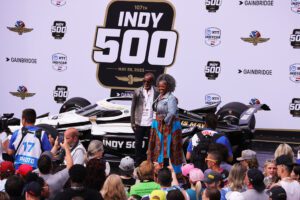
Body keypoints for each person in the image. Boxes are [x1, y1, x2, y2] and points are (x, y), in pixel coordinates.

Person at [147, 74, 183, 174]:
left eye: (163, 87)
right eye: (159, 86)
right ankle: (157, 168)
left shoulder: (171, 98)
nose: (160, 88)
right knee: (157, 148)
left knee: (168, 149)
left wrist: (163, 122)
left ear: (168, 86)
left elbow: (171, 113)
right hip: (158, 126)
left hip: (168, 127)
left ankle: (169, 170)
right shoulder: (159, 96)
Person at [131, 73, 159, 167]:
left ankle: (149, 162)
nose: (146, 83)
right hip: (139, 122)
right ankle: (138, 162)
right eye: (144, 81)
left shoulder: (157, 91)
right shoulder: (137, 91)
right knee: (138, 143)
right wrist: (132, 122)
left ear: (152, 82)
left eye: (148, 81)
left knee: (150, 144)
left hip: (151, 122)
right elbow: (133, 108)